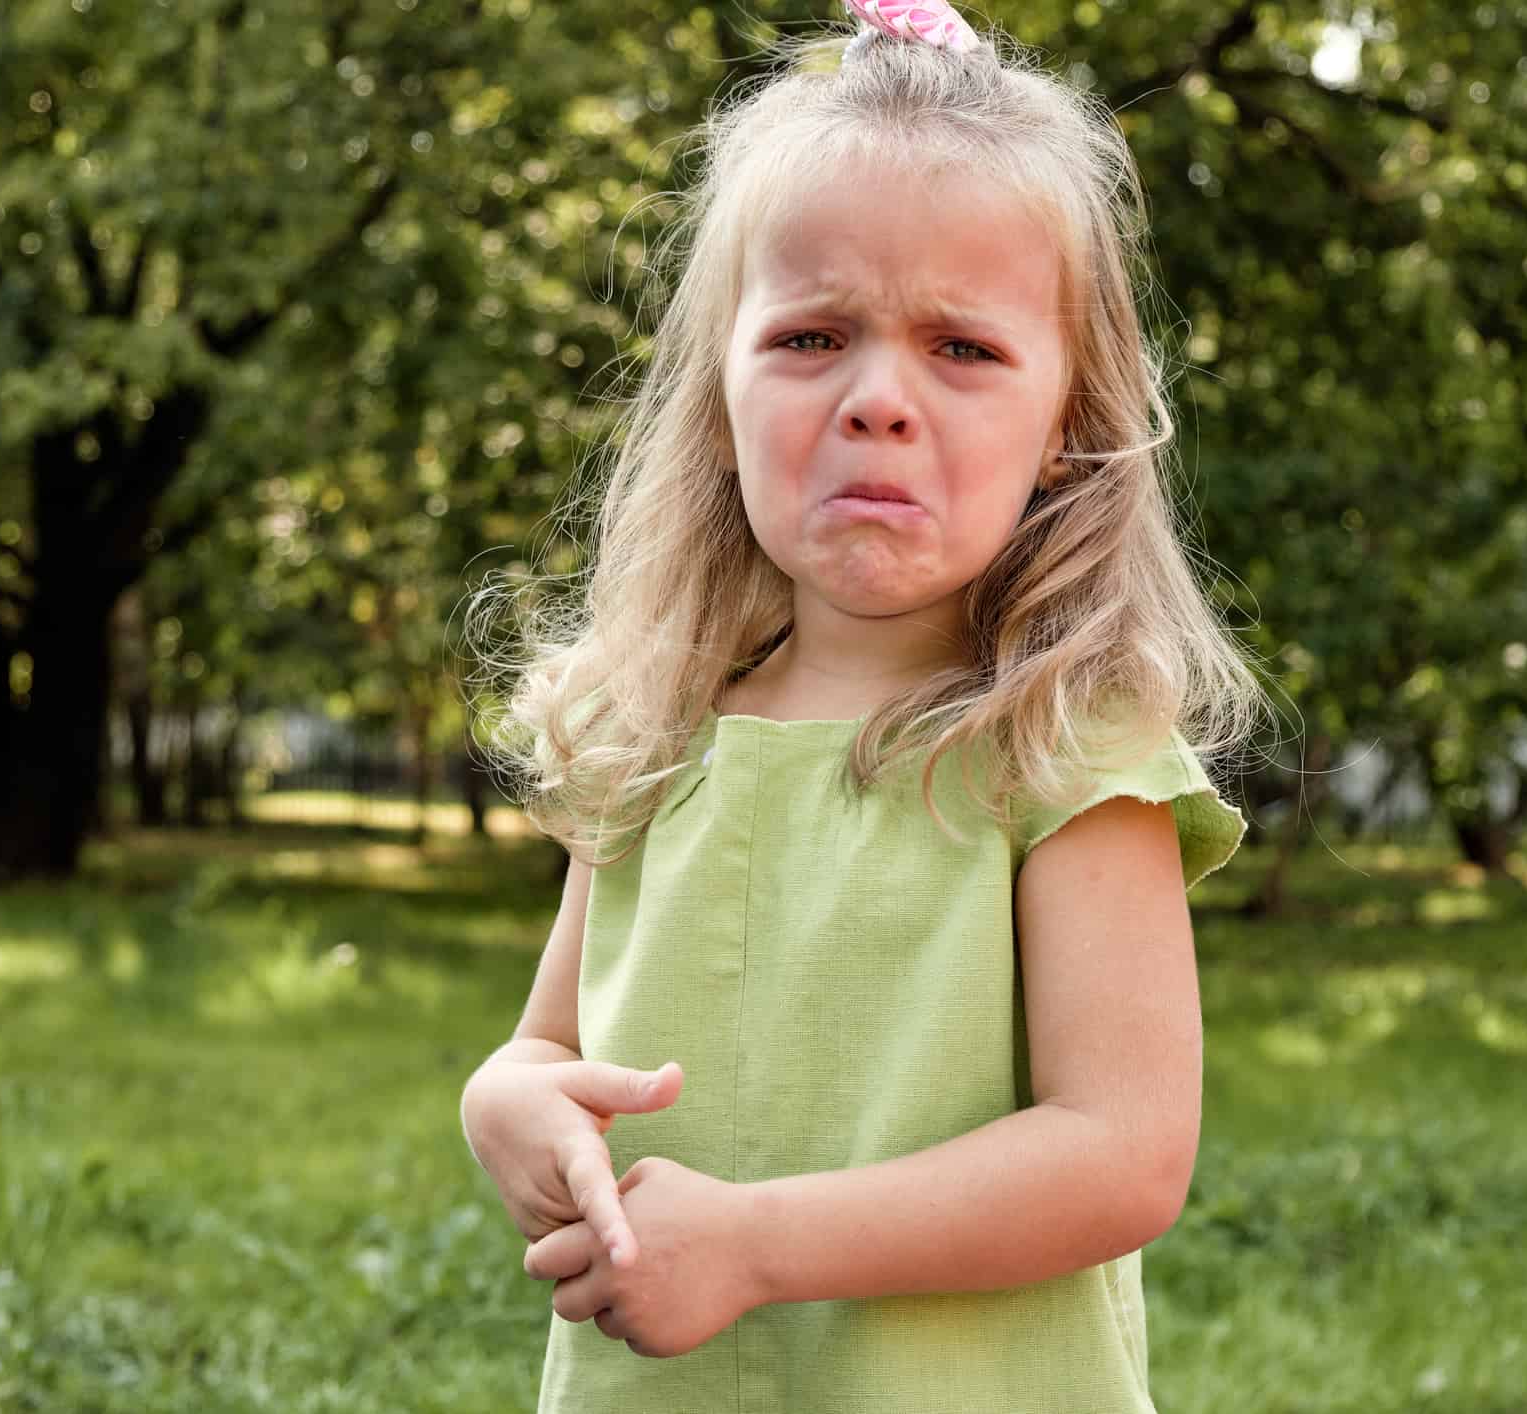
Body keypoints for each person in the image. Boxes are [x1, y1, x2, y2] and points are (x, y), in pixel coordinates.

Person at [459, 1, 1269, 1408]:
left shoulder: (1070, 749)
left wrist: (761, 1245)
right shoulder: (658, 723)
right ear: (719, 395)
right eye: (811, 336)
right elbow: (547, 1043)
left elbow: (1122, 1151)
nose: (878, 400)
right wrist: (507, 1103)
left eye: (962, 349)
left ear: (1066, 426)